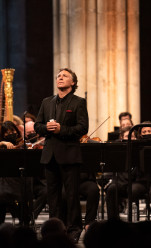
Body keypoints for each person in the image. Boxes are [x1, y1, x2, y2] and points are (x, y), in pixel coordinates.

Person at [34, 68, 89, 243]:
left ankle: (73, 229)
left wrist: (61, 129)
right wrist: (46, 128)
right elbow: (37, 125)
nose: (60, 78)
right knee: (53, 196)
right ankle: (54, 229)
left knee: (72, 196)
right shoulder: (47, 102)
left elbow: (82, 128)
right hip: (50, 155)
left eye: (65, 76)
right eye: (58, 76)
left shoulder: (78, 102)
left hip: (69, 154)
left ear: (73, 83)